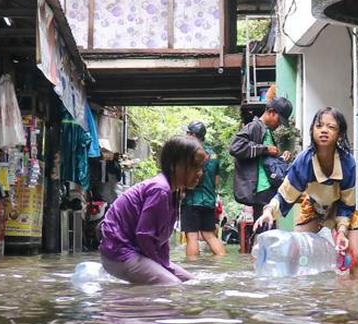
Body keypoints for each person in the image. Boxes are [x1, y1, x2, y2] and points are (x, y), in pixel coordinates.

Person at [254, 107, 358, 274]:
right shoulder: (303, 161)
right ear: (312, 130)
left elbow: (347, 204)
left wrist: (341, 231)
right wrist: (269, 211)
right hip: (313, 207)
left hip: (342, 211)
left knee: (355, 257)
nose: (324, 131)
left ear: (340, 134)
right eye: (319, 126)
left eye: (331, 127)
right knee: (293, 252)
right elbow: (285, 195)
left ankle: (351, 297)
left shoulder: (348, 162)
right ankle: (297, 297)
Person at [99, 135, 205, 285]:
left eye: (201, 167)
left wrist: (165, 264)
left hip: (135, 251)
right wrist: (161, 267)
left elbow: (161, 241)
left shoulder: (173, 192)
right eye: (194, 166)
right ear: (175, 165)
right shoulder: (160, 190)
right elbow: (144, 236)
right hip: (119, 253)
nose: (200, 173)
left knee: (192, 282)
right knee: (171, 285)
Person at [229, 97, 293, 210]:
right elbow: (235, 147)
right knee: (264, 224)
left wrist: (281, 159)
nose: (279, 124)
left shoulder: (267, 131)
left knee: (267, 224)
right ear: (272, 112)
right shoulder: (254, 127)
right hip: (259, 189)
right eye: (279, 120)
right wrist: (265, 149)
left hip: (267, 188)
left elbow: (266, 160)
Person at [182, 121, 226, 257]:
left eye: (188, 133)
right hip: (209, 201)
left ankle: (193, 271)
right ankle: (222, 261)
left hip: (192, 201)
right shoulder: (213, 155)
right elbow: (217, 180)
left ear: (193, 134)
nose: (186, 135)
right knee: (209, 235)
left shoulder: (189, 153)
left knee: (192, 237)